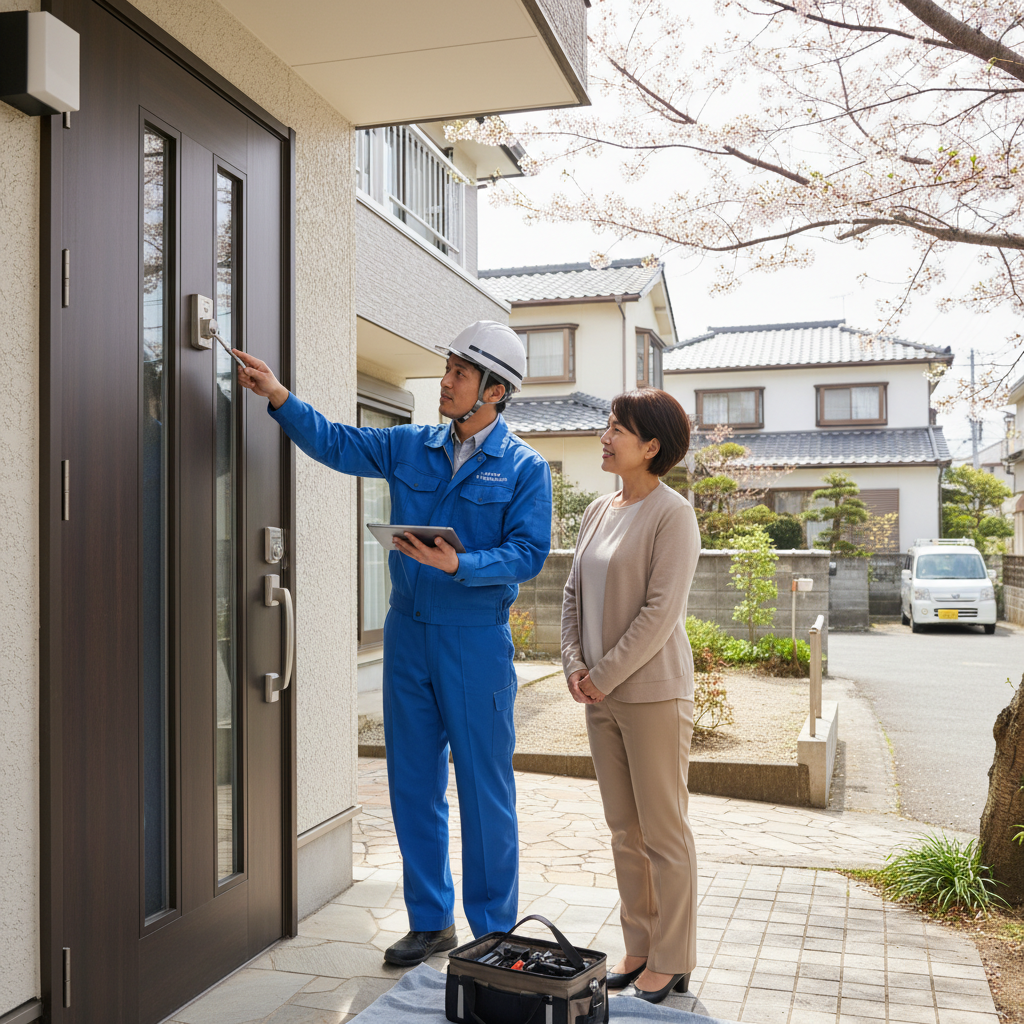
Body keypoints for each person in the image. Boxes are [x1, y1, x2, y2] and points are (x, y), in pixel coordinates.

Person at [233, 321, 552, 966]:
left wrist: (460, 564)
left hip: (474, 641)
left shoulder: (525, 467)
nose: (446, 381)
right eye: (448, 368)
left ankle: (494, 933)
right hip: (407, 633)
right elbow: (337, 442)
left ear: (494, 391)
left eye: (460, 374)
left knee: (485, 792)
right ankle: (431, 920)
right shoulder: (411, 444)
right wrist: (278, 396)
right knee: (412, 783)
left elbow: (529, 552)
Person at [560, 388, 700, 1005]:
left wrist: (603, 675)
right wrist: (574, 665)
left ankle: (673, 959)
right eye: (608, 425)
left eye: (619, 429)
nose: (606, 436)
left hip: (652, 695)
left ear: (651, 447)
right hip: (599, 695)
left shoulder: (674, 514)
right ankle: (639, 947)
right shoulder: (598, 509)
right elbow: (571, 594)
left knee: (663, 831)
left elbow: (660, 612)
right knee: (624, 829)